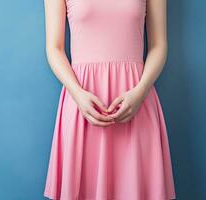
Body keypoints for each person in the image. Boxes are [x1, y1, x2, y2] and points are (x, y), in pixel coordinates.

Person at [42, 0, 177, 199]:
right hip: (83, 105)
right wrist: (78, 94)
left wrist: (139, 93)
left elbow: (159, 45)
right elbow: (54, 48)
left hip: (137, 103)